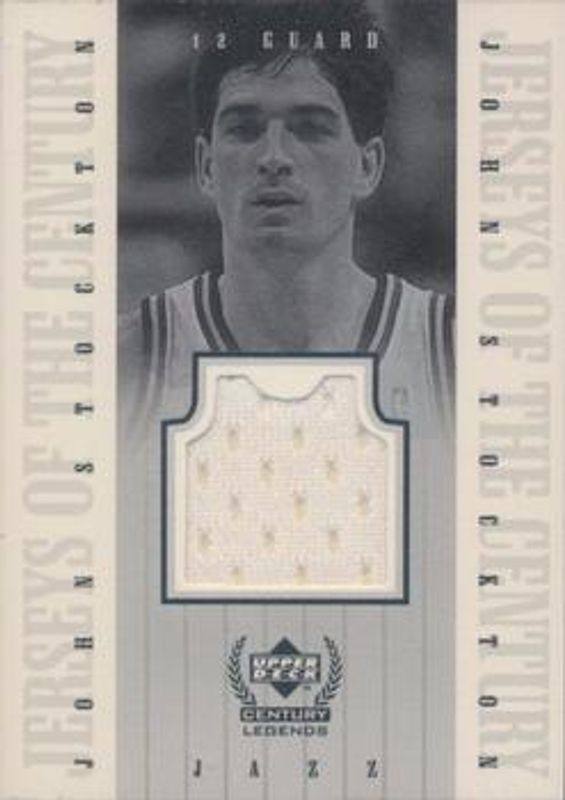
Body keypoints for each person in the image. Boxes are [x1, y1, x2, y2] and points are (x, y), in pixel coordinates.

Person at [118, 3, 455, 798]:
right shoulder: (122, 365)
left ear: (368, 164)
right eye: (244, 129)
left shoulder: (459, 360)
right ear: (205, 166)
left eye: (310, 128)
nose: (274, 157)